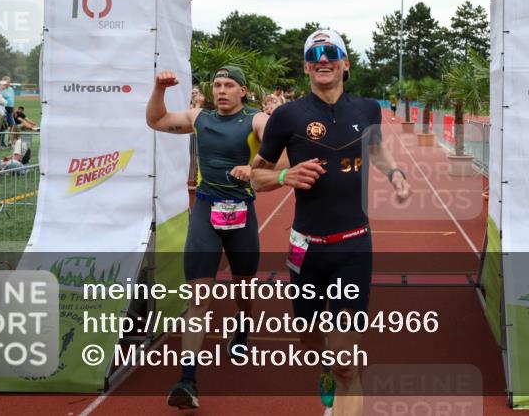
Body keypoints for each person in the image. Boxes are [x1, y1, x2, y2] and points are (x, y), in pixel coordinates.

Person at [251, 29, 411, 416]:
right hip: (306, 249)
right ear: (307, 67)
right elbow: (256, 176)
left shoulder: (367, 109)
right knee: (310, 339)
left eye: (330, 52)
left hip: (354, 245)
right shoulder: (287, 116)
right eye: (314, 55)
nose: (323, 59)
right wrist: (286, 176)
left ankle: (339, 373)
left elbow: (376, 150)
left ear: (345, 63)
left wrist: (395, 174)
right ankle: (323, 366)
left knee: (346, 362)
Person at [146, 65, 276, 410]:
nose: (221, 90)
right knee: (198, 297)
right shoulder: (199, 117)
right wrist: (159, 89)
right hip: (206, 211)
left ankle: (243, 324)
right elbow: (156, 120)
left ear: (243, 91)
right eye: (217, 84)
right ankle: (187, 380)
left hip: (241, 212)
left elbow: (278, 147)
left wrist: (255, 168)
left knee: (243, 288)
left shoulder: (255, 119)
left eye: (229, 85)